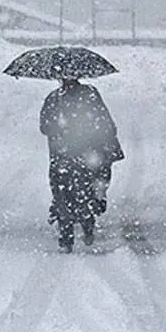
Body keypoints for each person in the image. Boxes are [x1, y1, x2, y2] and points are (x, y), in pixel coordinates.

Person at [40, 77, 123, 252]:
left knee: (63, 194)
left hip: (63, 156)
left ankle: (67, 237)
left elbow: (44, 127)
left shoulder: (54, 98)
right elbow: (104, 122)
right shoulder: (90, 95)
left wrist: (61, 129)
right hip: (86, 155)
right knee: (85, 192)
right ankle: (86, 226)